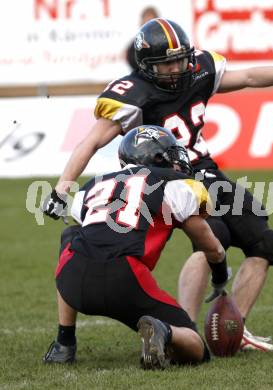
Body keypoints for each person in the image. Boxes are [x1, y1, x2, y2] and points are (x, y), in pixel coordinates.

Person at [43, 18, 273, 352]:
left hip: (205, 170)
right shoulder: (135, 94)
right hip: (167, 179)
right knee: (212, 239)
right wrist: (62, 187)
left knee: (266, 244)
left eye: (180, 58)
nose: (177, 67)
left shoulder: (200, 69)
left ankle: (234, 325)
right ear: (147, 67)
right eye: (167, 62)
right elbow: (90, 142)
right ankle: (183, 330)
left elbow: (248, 77)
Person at [43, 125, 230, 368]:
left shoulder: (92, 185)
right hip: (123, 279)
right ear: (156, 156)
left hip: (72, 280)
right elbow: (209, 245)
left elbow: (90, 231)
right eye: (171, 156)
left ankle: (63, 343)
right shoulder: (176, 183)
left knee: (71, 238)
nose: (177, 163)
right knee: (195, 347)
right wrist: (220, 273)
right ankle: (163, 331)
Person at [126, 6, 159, 71]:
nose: (148, 26)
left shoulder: (163, 39)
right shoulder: (136, 43)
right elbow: (132, 60)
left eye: (150, 22)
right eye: (146, 22)